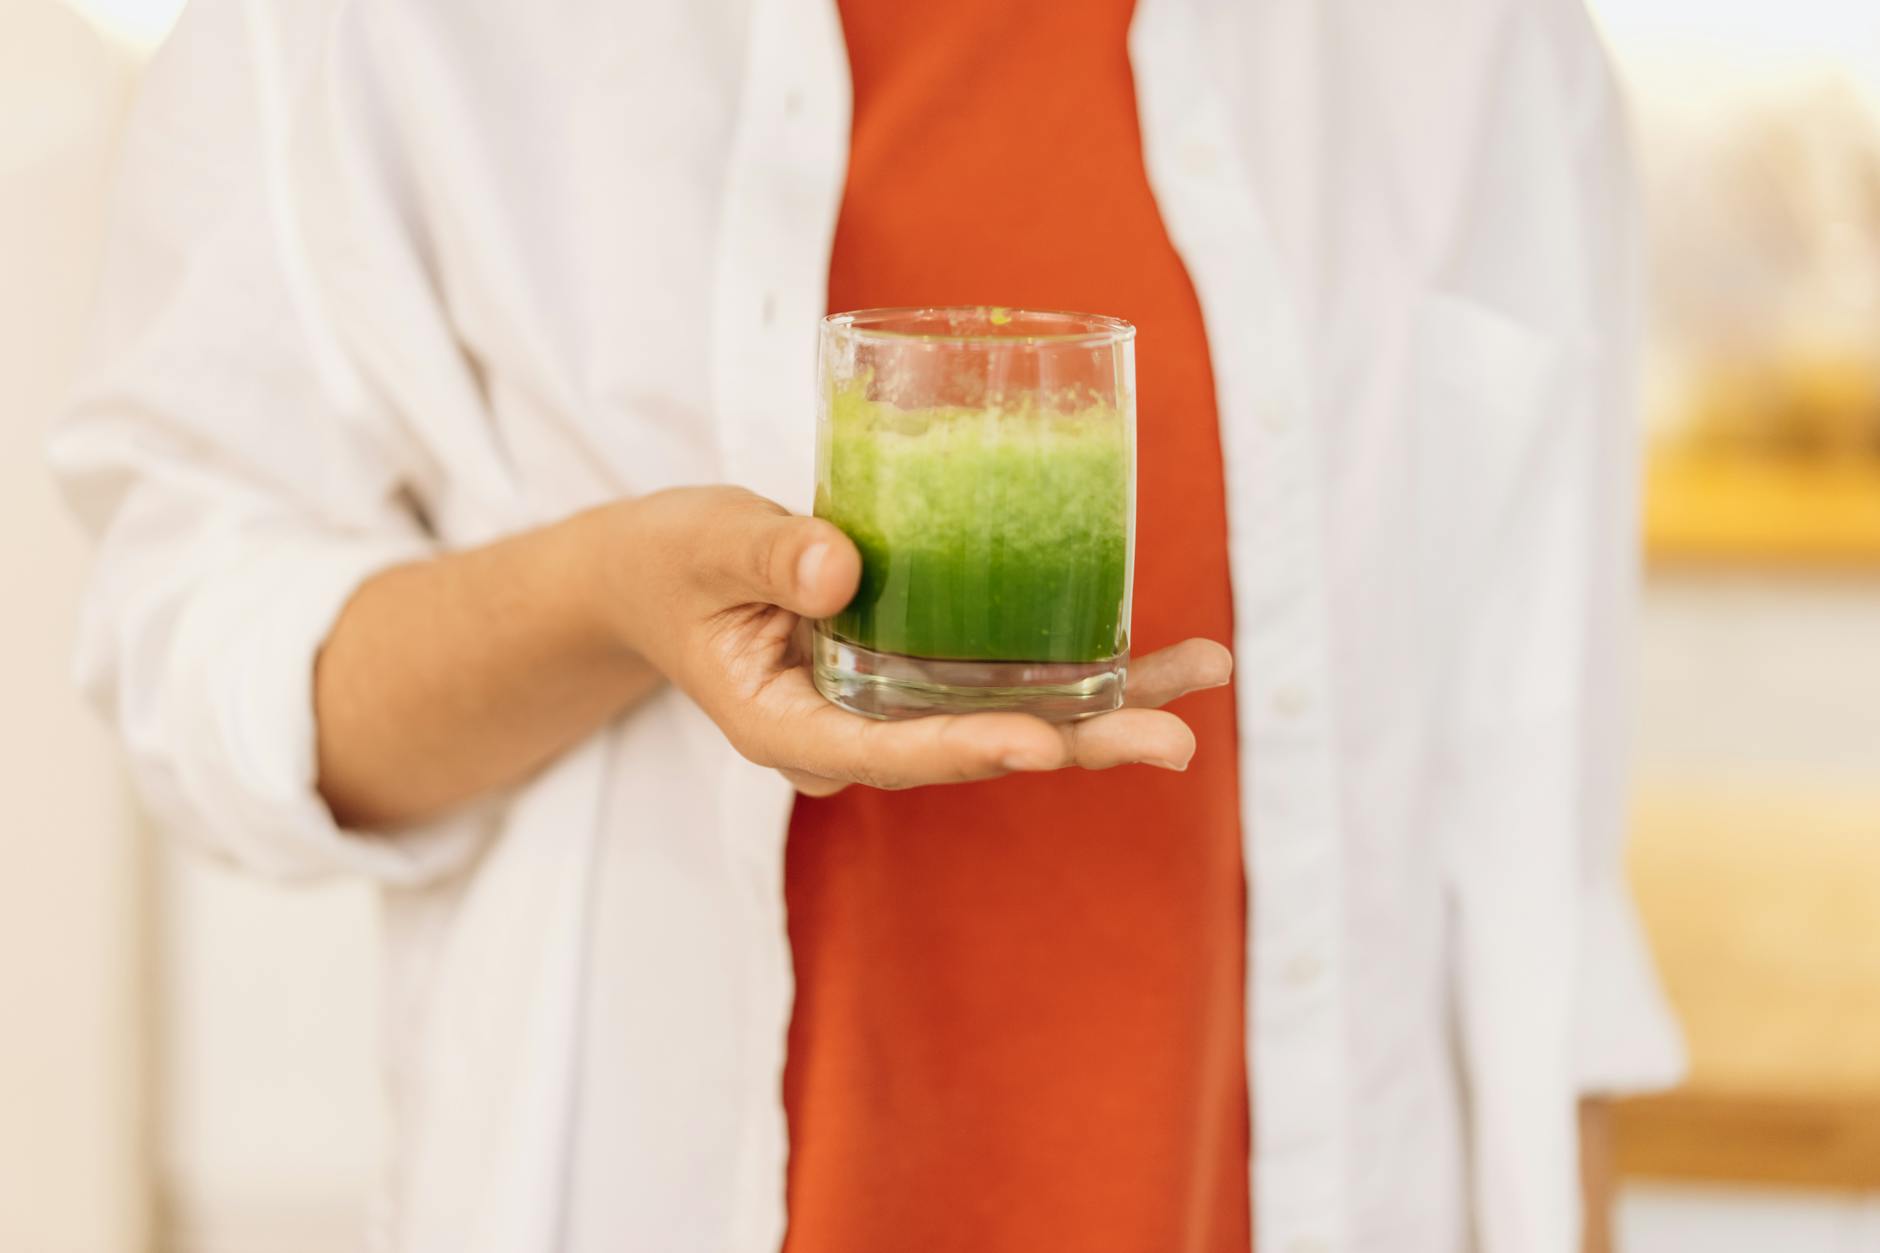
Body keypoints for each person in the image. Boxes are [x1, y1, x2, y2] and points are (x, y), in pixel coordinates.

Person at [52, 0, 1684, 1250]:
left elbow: (1545, 901)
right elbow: (205, 656)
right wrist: (605, 599)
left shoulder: (1477, 45)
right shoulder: (383, 34)